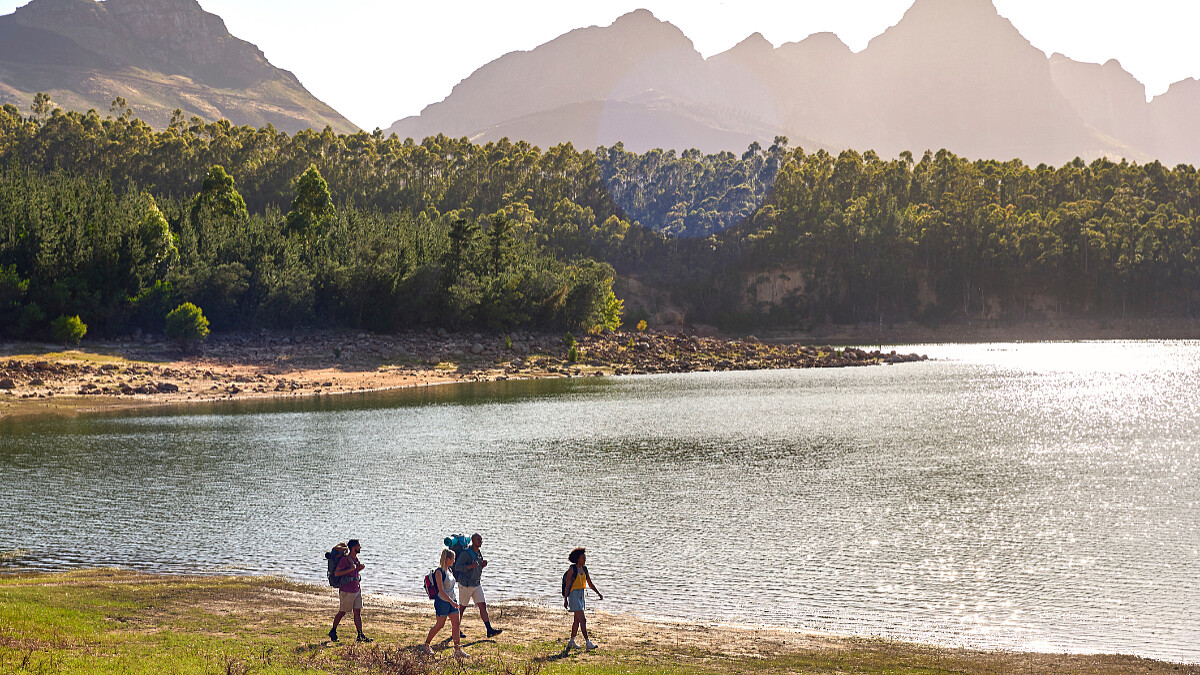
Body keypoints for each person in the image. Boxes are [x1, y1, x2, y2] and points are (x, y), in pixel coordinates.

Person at [452, 533, 503, 638]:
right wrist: (471, 566)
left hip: (476, 584)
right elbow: (457, 567)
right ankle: (456, 630)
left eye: (481, 539)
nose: (480, 541)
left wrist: (482, 566)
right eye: (478, 539)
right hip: (465, 585)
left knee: (482, 605)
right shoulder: (466, 553)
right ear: (472, 540)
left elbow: (476, 568)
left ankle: (489, 630)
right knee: (462, 608)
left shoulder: (478, 553)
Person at [424, 548, 468, 658]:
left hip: (452, 601)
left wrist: (454, 601)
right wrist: (451, 602)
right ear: (447, 559)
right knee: (440, 625)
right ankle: (426, 645)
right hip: (442, 602)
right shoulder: (439, 572)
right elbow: (441, 591)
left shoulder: (450, 571)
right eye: (453, 558)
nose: (454, 560)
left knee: (456, 624)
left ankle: (457, 650)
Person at [329, 539, 372, 643]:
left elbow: (353, 570)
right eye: (358, 546)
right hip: (347, 591)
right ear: (353, 548)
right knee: (342, 612)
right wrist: (351, 569)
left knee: (357, 612)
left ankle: (360, 635)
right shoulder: (345, 559)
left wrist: (358, 568)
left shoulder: (355, 558)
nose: (360, 548)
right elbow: (337, 573)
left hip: (356, 589)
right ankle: (333, 631)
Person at [563, 547, 602, 651]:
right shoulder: (572, 569)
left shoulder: (584, 569)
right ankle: (588, 642)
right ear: (577, 559)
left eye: (585, 557)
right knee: (583, 619)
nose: (585, 559)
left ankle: (571, 642)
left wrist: (598, 593)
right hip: (573, 595)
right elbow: (567, 585)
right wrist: (565, 599)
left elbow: (589, 583)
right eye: (583, 557)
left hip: (581, 595)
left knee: (577, 620)